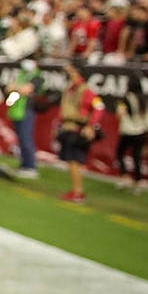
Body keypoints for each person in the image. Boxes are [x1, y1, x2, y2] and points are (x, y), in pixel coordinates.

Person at [56, 62, 106, 203]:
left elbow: (99, 107)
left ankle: (78, 192)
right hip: (68, 127)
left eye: (71, 71)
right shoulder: (70, 89)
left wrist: (91, 126)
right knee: (71, 161)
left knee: (75, 160)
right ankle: (76, 190)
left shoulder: (86, 90)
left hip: (77, 129)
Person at [114, 74, 148, 194]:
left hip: (128, 131)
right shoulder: (145, 98)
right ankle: (137, 183)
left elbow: (120, 114)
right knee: (137, 157)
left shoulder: (126, 98)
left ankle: (125, 177)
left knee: (120, 153)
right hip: (142, 132)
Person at [5, 56, 43, 178]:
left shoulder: (37, 77)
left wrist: (16, 88)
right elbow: (9, 88)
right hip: (16, 110)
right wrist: (17, 88)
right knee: (21, 139)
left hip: (27, 111)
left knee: (27, 139)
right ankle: (24, 164)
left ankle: (31, 166)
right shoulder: (22, 75)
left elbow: (26, 90)